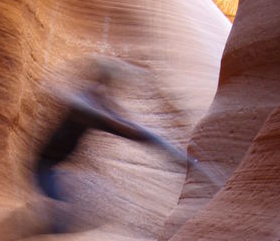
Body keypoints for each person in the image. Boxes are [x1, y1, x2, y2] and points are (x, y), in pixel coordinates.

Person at [34, 60, 185, 216]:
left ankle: (182, 159)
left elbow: (127, 127)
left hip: (58, 168)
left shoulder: (99, 102)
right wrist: (116, 121)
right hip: (45, 169)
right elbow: (86, 108)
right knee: (64, 214)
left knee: (89, 202)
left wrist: (153, 138)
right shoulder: (85, 102)